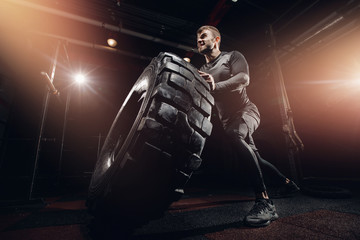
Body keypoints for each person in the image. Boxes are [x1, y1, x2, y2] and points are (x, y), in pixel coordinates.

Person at [196, 25, 299, 227]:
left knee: (236, 135)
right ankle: (288, 185)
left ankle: (264, 201)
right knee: (256, 158)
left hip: (247, 112)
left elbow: (244, 79)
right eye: (197, 37)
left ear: (216, 39)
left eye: (204, 36)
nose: (199, 40)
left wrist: (215, 85)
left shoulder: (232, 56)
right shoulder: (202, 70)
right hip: (228, 122)